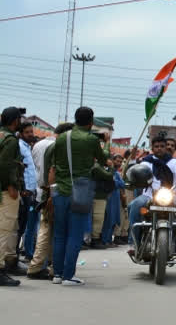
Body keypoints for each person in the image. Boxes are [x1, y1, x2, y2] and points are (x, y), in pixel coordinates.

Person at [48, 106, 108, 286]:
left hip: (60, 190)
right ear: (91, 122)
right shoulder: (91, 139)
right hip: (80, 191)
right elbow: (104, 159)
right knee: (75, 235)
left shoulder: (61, 138)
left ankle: (57, 274)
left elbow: (54, 162)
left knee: (59, 234)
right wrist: (107, 143)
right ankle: (68, 276)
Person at [127, 135, 176, 258]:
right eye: (156, 146)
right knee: (135, 204)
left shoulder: (174, 162)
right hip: (149, 195)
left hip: (171, 195)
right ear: (152, 148)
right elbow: (136, 174)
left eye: (162, 146)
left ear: (166, 148)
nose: (159, 149)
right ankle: (133, 242)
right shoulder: (146, 162)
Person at [27, 123, 73, 280]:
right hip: (53, 194)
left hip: (45, 190)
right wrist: (53, 196)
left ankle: (46, 265)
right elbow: (52, 172)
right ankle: (39, 265)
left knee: (48, 229)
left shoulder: (42, 145)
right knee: (48, 230)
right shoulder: (58, 147)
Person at [0, 107, 24, 286]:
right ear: (15, 120)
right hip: (5, 191)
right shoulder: (10, 139)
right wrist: (11, 186)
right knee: (4, 230)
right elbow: (6, 164)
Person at [17, 122, 37, 262]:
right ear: (20, 133)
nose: (31, 134)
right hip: (22, 192)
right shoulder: (19, 146)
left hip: (29, 192)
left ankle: (15, 257)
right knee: (17, 228)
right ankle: (12, 259)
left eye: (31, 131)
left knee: (22, 226)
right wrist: (23, 189)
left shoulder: (27, 147)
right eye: (27, 132)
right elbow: (18, 170)